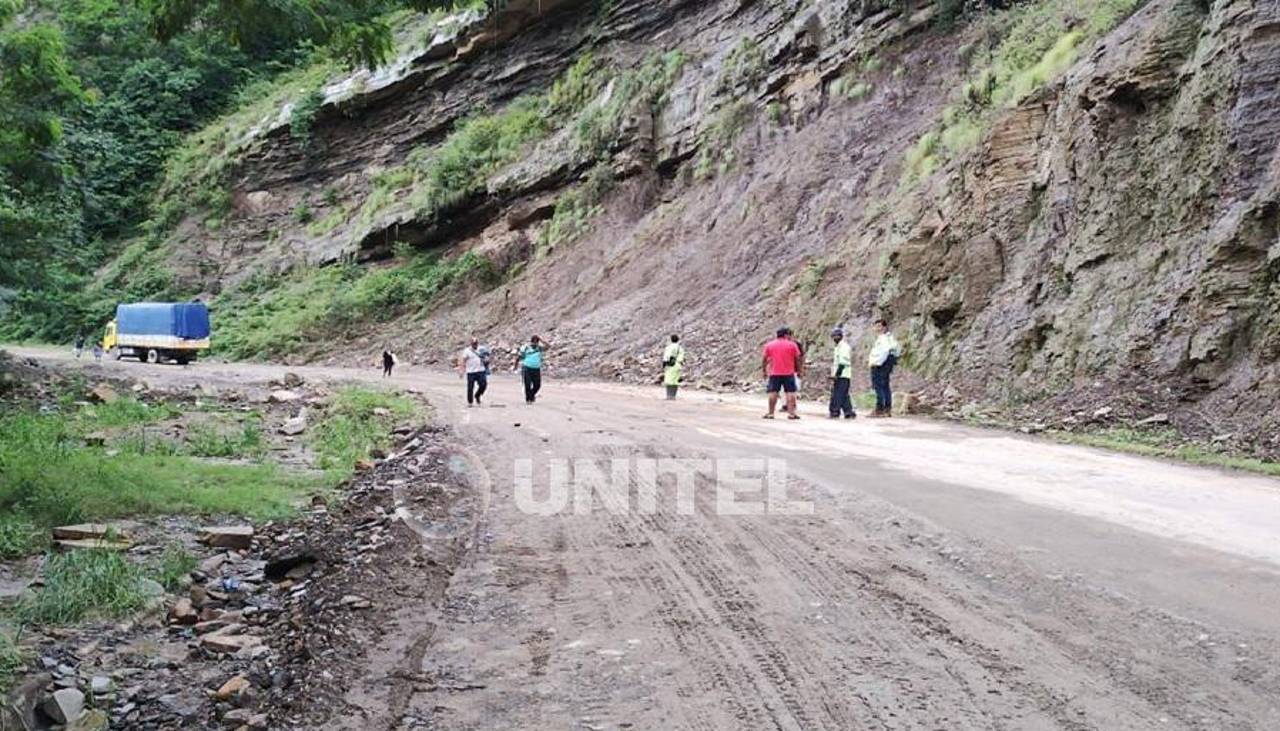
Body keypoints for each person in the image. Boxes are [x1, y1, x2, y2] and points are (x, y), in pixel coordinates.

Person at [762, 327, 803, 420]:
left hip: (774, 372)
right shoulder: (792, 345)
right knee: (790, 392)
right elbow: (797, 359)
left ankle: (771, 413)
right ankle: (791, 414)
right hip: (789, 372)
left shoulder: (769, 345)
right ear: (786, 335)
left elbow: (764, 359)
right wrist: (799, 370)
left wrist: (764, 371)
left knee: (773, 392)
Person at [867, 319, 902, 418]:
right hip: (887, 363)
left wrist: (876, 363)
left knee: (879, 386)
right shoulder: (890, 338)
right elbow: (897, 350)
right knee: (885, 385)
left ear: (884, 327)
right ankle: (887, 408)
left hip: (880, 364)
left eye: (879, 326)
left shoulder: (883, 339)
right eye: (876, 326)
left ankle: (880, 409)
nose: (878, 328)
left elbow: (884, 351)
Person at [828, 327, 855, 419]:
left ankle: (835, 411)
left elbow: (843, 363)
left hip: (843, 374)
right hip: (841, 374)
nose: (835, 338)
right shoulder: (838, 347)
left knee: (837, 394)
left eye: (837, 336)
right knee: (843, 394)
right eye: (834, 336)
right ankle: (849, 412)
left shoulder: (844, 347)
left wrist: (836, 375)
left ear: (841, 336)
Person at [515, 335, 546, 404]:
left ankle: (531, 395)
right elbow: (519, 357)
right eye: (534, 342)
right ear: (531, 342)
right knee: (527, 384)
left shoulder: (539, 348)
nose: (535, 344)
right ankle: (528, 399)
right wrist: (515, 366)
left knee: (537, 385)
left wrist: (542, 340)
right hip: (527, 368)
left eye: (536, 342)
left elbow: (548, 347)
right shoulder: (526, 348)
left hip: (536, 368)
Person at [460, 338, 488, 406]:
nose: (475, 345)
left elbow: (487, 356)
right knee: (470, 387)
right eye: (473, 344)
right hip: (471, 371)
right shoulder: (467, 351)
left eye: (476, 344)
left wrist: (486, 360)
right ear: (471, 344)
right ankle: (470, 402)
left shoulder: (481, 349)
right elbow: (463, 361)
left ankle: (477, 395)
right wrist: (462, 370)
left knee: (483, 384)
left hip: (481, 370)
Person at [662, 334, 686, 400]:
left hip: (671, 365)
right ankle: (673, 396)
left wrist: (664, 364)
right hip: (678, 365)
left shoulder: (669, 347)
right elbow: (684, 357)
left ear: (671, 339)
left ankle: (669, 395)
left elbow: (667, 356)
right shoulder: (680, 348)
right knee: (675, 381)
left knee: (669, 380)